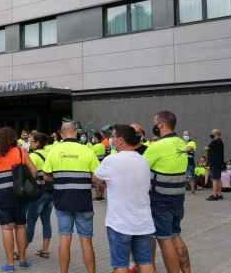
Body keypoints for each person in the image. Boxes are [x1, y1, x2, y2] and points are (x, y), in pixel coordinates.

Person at [95, 124, 155, 273]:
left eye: (113, 136)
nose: (111, 139)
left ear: (120, 140)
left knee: (121, 265)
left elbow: (95, 178)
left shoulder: (111, 160)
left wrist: (104, 183)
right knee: (146, 262)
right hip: (143, 222)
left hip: (119, 223)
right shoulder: (144, 161)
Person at [42, 121, 99, 273]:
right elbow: (96, 178)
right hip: (83, 201)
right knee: (86, 240)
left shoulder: (54, 150)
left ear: (61, 133)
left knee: (64, 238)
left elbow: (46, 175)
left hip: (62, 200)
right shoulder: (87, 150)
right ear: (76, 132)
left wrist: (59, 180)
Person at [144, 111, 191, 273]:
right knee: (175, 235)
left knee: (164, 240)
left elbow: (140, 168)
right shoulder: (181, 144)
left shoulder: (158, 146)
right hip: (178, 198)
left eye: (154, 123)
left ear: (161, 125)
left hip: (160, 200)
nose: (153, 126)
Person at [0, 127, 38, 272]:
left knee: (6, 228)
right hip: (19, 194)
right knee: (21, 226)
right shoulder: (21, 151)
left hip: (2, 195)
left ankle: (10, 264)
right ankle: (23, 260)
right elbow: (34, 171)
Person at [25, 132, 54, 259]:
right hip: (50, 192)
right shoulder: (50, 154)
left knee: (30, 221)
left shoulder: (33, 156)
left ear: (37, 143)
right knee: (46, 221)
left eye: (31, 141)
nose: (29, 143)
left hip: (37, 194)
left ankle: (22, 249)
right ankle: (45, 249)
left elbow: (29, 176)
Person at [206, 129, 224, 201]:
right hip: (219, 162)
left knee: (214, 179)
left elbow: (207, 148)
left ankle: (214, 195)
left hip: (214, 162)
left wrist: (206, 148)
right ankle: (219, 194)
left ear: (215, 134)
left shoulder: (215, 141)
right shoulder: (220, 141)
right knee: (218, 178)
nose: (211, 134)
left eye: (212, 133)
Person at [182, 130, 197, 194]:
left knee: (191, 176)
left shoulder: (192, 142)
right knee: (182, 176)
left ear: (189, 136)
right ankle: (182, 189)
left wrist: (182, 150)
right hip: (182, 162)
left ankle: (192, 190)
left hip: (190, 162)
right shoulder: (181, 142)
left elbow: (189, 149)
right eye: (184, 135)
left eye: (187, 135)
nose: (185, 136)